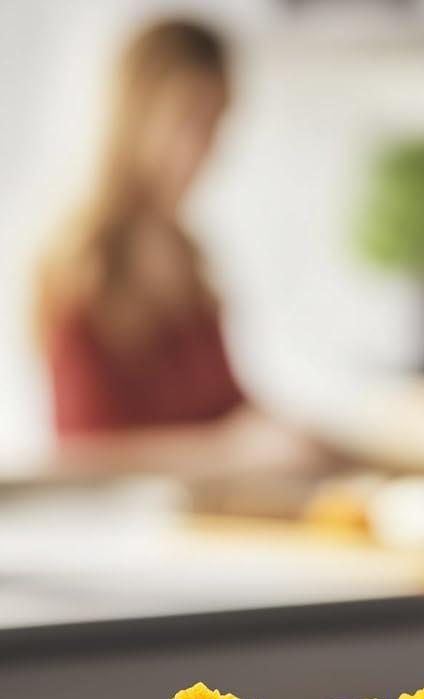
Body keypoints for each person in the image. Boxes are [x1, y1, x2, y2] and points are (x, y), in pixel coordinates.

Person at [34, 17, 321, 477]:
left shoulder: (192, 260)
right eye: (188, 118)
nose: (204, 147)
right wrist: (230, 452)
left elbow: (225, 409)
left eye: (216, 123)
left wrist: (293, 435)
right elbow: (80, 457)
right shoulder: (78, 264)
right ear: (136, 114)